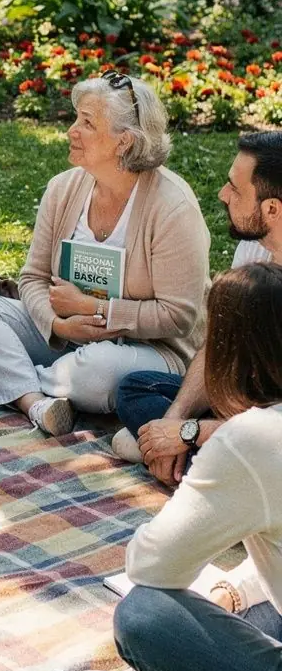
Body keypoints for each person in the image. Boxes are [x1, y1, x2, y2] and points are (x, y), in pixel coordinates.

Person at [71, 263, 282, 671]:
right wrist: (235, 587)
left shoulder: (250, 438)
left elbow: (152, 566)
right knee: (247, 619)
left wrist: (204, 475)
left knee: (147, 617)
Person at [0, 75, 210, 437]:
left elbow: (179, 317)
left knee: (96, 374)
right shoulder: (63, 188)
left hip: (148, 351)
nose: (71, 130)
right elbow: (32, 278)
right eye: (76, 118)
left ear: (123, 141)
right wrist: (58, 324)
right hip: (67, 337)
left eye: (87, 122)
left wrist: (93, 309)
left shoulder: (173, 207)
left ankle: (1, 373)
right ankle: (34, 399)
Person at [112, 131, 282, 481]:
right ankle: (193, 464)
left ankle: (186, 465)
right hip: (251, 400)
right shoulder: (255, 248)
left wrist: (189, 433)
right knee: (138, 388)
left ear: (272, 209)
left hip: (272, 428)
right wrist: (175, 417)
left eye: (235, 189)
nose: (222, 195)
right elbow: (218, 346)